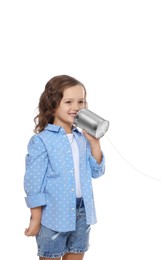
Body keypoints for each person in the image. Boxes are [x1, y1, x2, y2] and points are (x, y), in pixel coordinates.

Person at [24, 75, 106, 260]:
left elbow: (97, 171)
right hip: (54, 214)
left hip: (82, 213)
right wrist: (35, 219)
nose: (76, 107)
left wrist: (95, 143)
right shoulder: (42, 141)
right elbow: (34, 184)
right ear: (53, 105)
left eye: (81, 102)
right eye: (68, 102)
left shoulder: (82, 138)